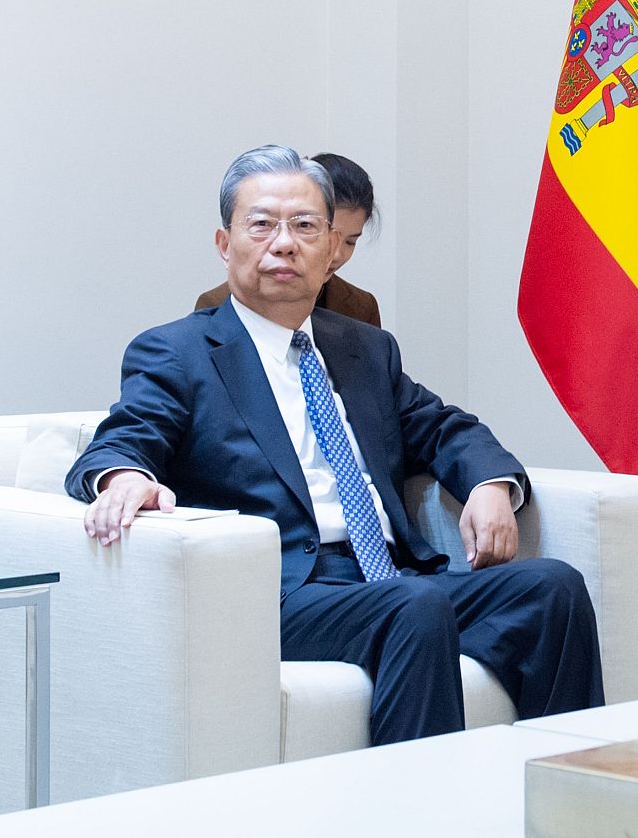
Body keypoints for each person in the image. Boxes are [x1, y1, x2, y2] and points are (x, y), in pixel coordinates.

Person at [69, 145, 603, 743]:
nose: (284, 242)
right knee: (414, 606)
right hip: (279, 591)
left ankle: (570, 801)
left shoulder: (365, 349)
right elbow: (128, 435)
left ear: (331, 251)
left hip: (388, 575)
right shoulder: (178, 352)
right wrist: (124, 475)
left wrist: (491, 484)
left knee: (551, 588)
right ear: (226, 245)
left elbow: (443, 426)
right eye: (262, 224)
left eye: (304, 227)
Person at [195, 152, 381, 327]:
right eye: (305, 226)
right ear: (225, 244)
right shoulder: (217, 305)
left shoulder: (362, 307)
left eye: (350, 242)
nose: (336, 254)